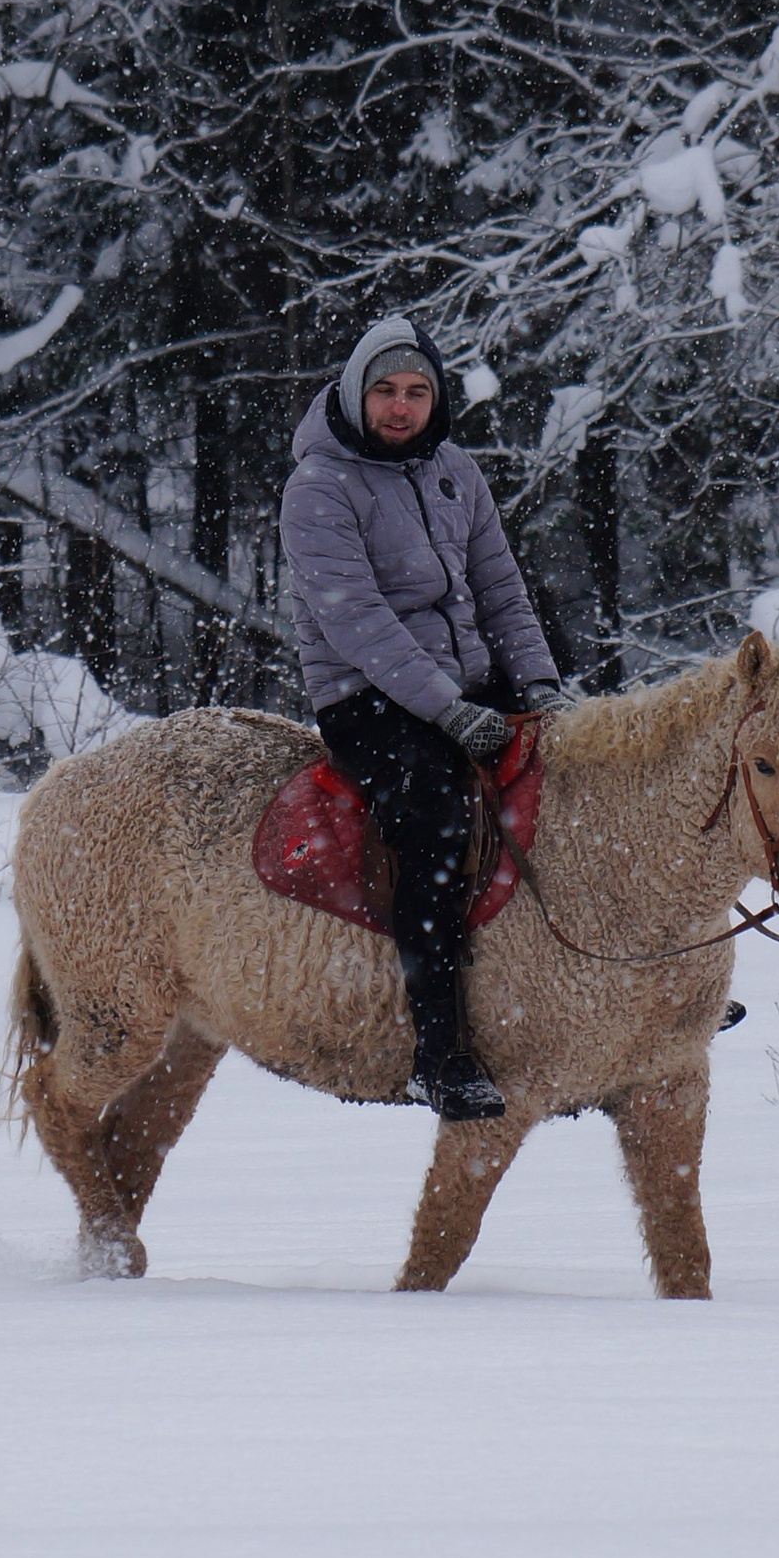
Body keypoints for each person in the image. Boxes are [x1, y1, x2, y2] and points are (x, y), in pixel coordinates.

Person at [280, 314, 567, 1120]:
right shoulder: (318, 487)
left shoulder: (456, 473)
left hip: (467, 679)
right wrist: (447, 711)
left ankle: (637, 979)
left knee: (589, 769)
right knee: (437, 818)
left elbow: (502, 588)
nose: (401, 407)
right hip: (366, 696)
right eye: (385, 391)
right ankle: (440, 1053)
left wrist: (541, 688)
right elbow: (357, 621)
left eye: (416, 392)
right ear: (355, 393)